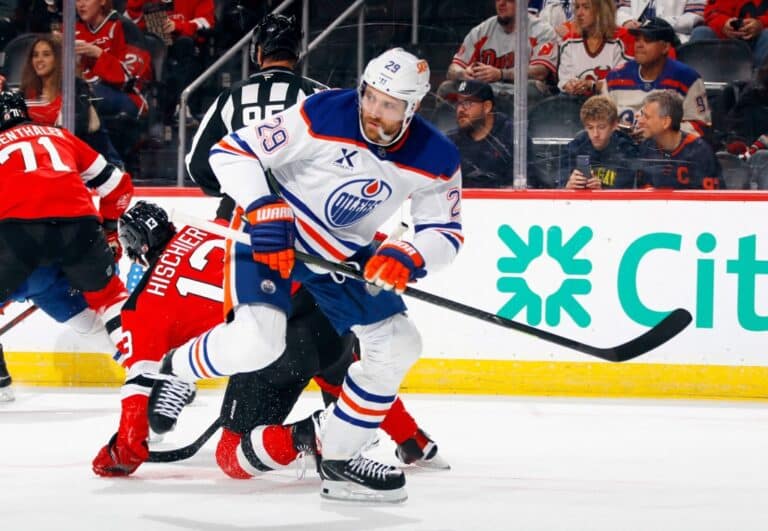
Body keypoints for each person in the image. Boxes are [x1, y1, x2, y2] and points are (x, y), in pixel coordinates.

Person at [148, 47, 462, 502]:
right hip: (278, 234)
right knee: (259, 339)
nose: (373, 112)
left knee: (397, 342)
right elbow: (231, 152)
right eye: (370, 97)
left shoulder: (436, 156)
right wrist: (261, 205)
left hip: (344, 253)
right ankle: (176, 367)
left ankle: (338, 458)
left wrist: (410, 256)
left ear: (412, 109)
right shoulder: (324, 111)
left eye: (389, 105)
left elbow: (445, 231)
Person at [92, 201, 449, 478]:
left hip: (273, 340)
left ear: (136, 250)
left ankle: (315, 432)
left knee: (230, 456)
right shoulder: (215, 228)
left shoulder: (142, 307)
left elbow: (138, 391)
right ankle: (415, 442)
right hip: (323, 309)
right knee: (340, 374)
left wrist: (119, 454)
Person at [0, 91, 133, 361]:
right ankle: (152, 371)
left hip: (18, 240)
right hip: (78, 231)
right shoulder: (60, 135)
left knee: (67, 306)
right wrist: (108, 231)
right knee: (108, 299)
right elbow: (117, 185)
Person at [18, 34, 123, 167]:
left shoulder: (75, 88)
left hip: (75, 160)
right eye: (35, 55)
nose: (39, 60)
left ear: (58, 59)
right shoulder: (26, 93)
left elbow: (78, 132)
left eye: (46, 54)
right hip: (37, 160)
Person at [602, 17, 711, 137]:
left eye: (647, 40)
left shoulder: (688, 78)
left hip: (666, 152)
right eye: (637, 39)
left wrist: (657, 131)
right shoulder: (615, 77)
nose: (639, 45)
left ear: (665, 47)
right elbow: (601, 122)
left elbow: (700, 127)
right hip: (621, 150)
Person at [441, 0, 558, 101]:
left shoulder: (542, 31)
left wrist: (501, 74)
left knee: (532, 87)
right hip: (485, 95)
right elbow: (453, 69)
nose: (501, 3)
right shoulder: (481, 31)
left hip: (518, 95)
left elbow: (541, 71)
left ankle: (527, 127)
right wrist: (463, 73)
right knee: (447, 88)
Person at [124, 0, 214, 123]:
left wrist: (177, 26)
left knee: (184, 44)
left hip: (186, 44)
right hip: (153, 43)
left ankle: (182, 107)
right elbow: (127, 24)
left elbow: (207, 22)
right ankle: (147, 106)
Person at [445, 79, 536, 188]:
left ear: (487, 107)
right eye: (458, 103)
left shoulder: (513, 137)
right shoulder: (451, 142)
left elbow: (527, 184)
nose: (460, 109)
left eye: (467, 103)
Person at [75, 0, 148, 119]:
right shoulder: (74, 28)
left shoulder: (124, 26)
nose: (80, 4)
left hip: (127, 96)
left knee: (81, 98)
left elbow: (130, 79)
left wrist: (98, 53)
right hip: (85, 90)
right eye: (77, 0)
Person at [635, 90, 721, 188]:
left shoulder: (701, 152)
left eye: (646, 116)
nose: (640, 121)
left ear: (665, 122)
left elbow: (711, 199)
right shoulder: (646, 147)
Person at [559, 95, 639, 188]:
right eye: (590, 127)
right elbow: (557, 183)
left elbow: (627, 193)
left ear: (614, 125)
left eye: (601, 127)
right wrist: (567, 186)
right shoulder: (574, 147)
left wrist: (602, 191)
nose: (595, 134)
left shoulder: (627, 150)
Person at [557, 0, 632, 96]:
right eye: (577, 7)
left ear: (602, 10)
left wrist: (593, 85)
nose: (579, 13)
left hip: (612, 102)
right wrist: (569, 85)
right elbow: (565, 79)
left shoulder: (624, 38)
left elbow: (624, 80)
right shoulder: (569, 40)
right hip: (575, 102)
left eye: (586, 7)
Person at [689, 0, 768, 67]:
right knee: (701, 32)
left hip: (760, 46)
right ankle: (698, 81)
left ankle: (759, 82)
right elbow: (712, 13)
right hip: (725, 44)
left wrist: (761, 23)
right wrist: (723, 24)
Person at [617, 0, 705, 44]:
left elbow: (693, 18)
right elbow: (621, 10)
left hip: (673, 39)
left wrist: (655, 24)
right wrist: (626, 21)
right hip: (633, 37)